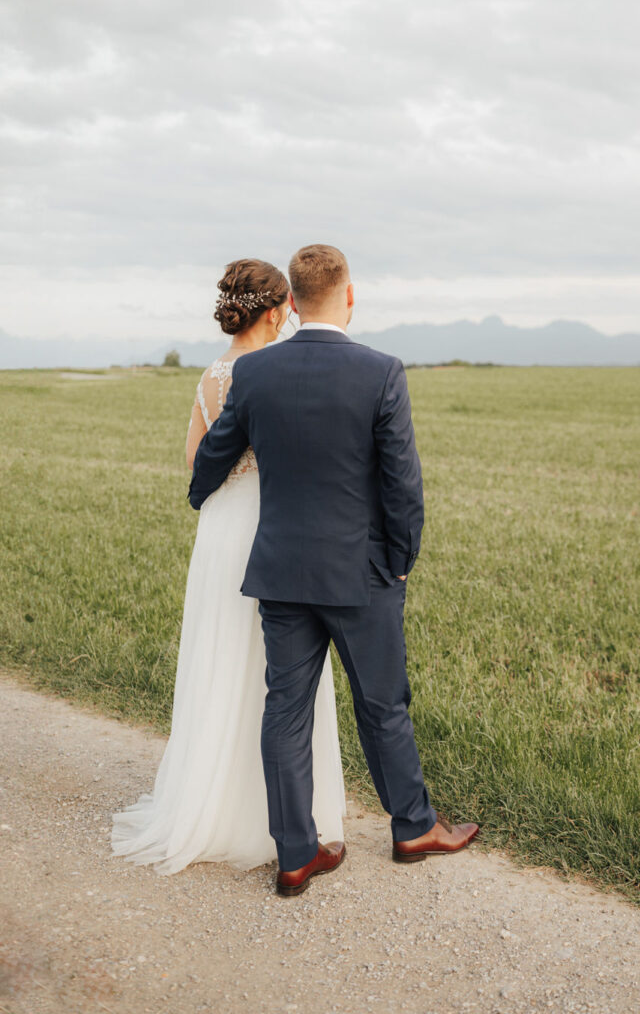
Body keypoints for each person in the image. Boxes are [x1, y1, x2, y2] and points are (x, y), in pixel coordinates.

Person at [189, 244, 478, 897]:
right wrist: (400, 562)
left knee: (284, 710)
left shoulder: (256, 373)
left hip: (283, 569)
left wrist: (199, 492)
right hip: (361, 572)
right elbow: (403, 484)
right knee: (383, 706)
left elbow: (216, 451)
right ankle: (413, 828)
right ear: (349, 297)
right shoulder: (381, 371)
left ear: (291, 301)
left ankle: (295, 856)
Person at [111, 259, 346, 874]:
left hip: (220, 531)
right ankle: (287, 822)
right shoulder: (272, 371)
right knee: (284, 674)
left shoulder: (211, 377)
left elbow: (197, 465)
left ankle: (208, 807)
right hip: (274, 530)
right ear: (276, 310)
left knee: (223, 660)